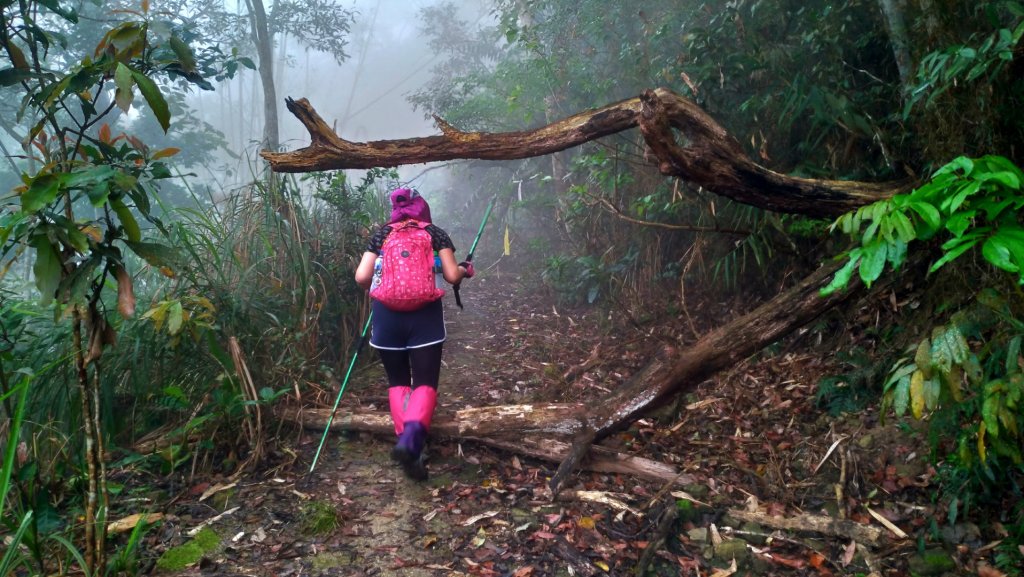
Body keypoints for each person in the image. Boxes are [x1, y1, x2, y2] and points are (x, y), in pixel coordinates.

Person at [354, 188, 474, 481]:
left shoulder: (381, 235)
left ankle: (409, 447)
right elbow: (450, 275)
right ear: (422, 207)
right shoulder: (435, 233)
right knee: (424, 383)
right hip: (425, 318)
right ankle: (411, 441)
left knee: (398, 382)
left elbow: (361, 277)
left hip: (386, 318)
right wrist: (464, 270)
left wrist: (383, 281)